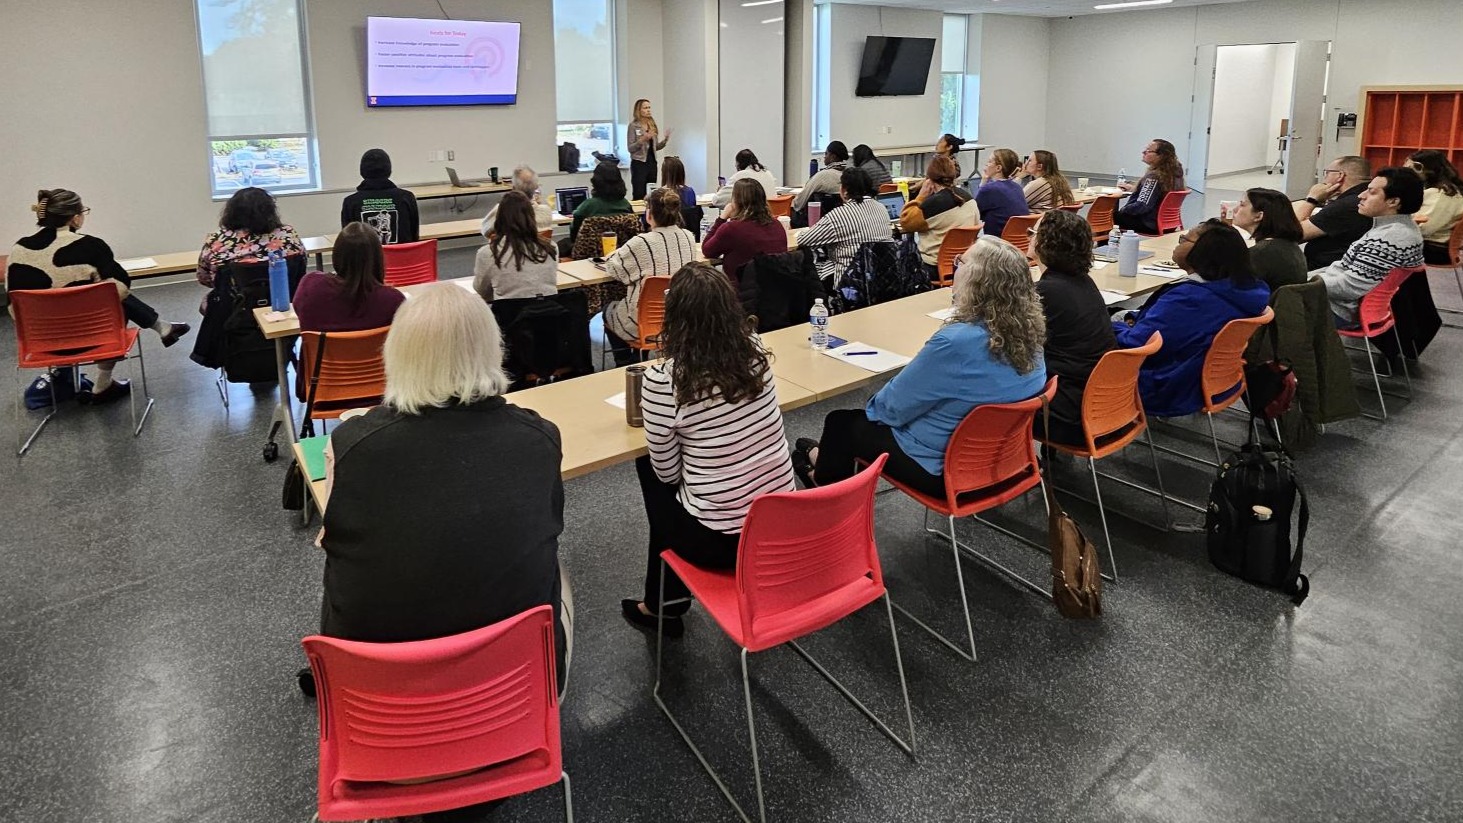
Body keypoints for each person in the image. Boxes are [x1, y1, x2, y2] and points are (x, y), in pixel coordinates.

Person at [314, 282, 571, 699]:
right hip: (515, 687)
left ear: (397, 352)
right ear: (493, 348)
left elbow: (337, 544)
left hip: (375, 698)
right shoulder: (540, 439)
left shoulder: (351, 446)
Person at [792, 237, 1048, 495]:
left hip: (946, 473)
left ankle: (825, 489)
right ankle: (823, 462)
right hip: (1007, 462)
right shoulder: (1031, 330)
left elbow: (889, 409)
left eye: (961, 261)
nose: (956, 266)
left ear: (979, 282)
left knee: (842, 423)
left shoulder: (954, 343)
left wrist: (881, 401)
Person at [618, 262, 795, 635]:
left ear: (674, 319)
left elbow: (667, 474)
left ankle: (664, 606)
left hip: (720, 541)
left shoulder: (664, 380)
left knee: (649, 470)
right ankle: (664, 600)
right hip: (780, 527)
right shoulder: (757, 351)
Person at [7, 189, 191, 404]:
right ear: (76, 217)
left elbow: (13, 305)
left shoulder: (18, 249)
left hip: (42, 343)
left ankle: (164, 328)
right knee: (112, 298)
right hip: (96, 337)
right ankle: (104, 382)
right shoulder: (91, 245)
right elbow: (121, 289)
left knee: (102, 296)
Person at [1113, 220, 1270, 417]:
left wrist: (1112, 327)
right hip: (1209, 377)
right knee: (1121, 314)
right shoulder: (1240, 291)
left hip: (1167, 385)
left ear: (1202, 251)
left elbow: (1137, 343)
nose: (1178, 243)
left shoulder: (1190, 299)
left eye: (1183, 239)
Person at [1031, 210, 1115, 446]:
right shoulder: (1083, 281)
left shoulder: (1048, 291)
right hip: (1097, 401)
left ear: (1043, 243)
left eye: (1033, 233)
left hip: (1066, 412)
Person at [1315, 167, 1425, 328]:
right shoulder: (1399, 227)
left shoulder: (1390, 239)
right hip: (1342, 303)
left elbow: (1348, 288)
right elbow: (1344, 271)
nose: (1361, 195)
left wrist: (1302, 281)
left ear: (1393, 201)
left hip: (1339, 309)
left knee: (1271, 302)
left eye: (1372, 192)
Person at [602, 188, 698, 366]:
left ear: (649, 213)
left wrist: (610, 256)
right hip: (681, 318)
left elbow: (616, 270)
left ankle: (624, 361)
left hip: (641, 322)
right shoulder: (688, 237)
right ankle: (641, 357)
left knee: (608, 309)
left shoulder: (641, 242)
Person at [293, 222, 405, 332]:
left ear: (337, 255)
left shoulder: (311, 286)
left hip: (322, 350)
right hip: (371, 351)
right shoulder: (394, 301)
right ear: (377, 259)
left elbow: (300, 311)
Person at [794, 167, 893, 284]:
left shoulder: (838, 215)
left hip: (848, 280)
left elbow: (803, 240)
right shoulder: (881, 208)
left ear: (844, 190)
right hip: (879, 277)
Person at [197, 187, 305, 289]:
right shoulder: (288, 234)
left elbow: (204, 277)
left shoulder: (217, 240)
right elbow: (301, 266)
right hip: (285, 300)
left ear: (232, 212)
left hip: (233, 304)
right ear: (271, 211)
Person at [898, 155, 979, 278]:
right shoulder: (970, 199)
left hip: (932, 268)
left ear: (929, 180)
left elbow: (905, 222)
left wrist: (921, 196)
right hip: (963, 264)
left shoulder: (931, 206)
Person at [701, 178, 790, 287]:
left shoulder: (732, 229)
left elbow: (707, 250)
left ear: (736, 202)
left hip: (741, 295)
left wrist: (722, 217)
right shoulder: (777, 225)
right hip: (776, 293)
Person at [473, 191, 559, 302]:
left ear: (499, 218)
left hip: (509, 316)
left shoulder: (488, 253)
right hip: (550, 314)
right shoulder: (551, 247)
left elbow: (481, 291)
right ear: (532, 217)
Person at [1293, 155, 1371, 269]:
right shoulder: (1366, 196)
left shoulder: (1345, 206)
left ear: (1340, 175)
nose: (1324, 178)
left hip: (1321, 271)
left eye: (1327, 173)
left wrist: (1311, 199)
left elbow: (1292, 232)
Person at [1232, 188, 1308, 289]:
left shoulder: (1261, 253)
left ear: (1258, 216)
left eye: (1242, 205)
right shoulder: (1289, 246)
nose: (1234, 209)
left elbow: (1233, 288)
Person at [340, 148, 419, 245]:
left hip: (367, 259)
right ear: (389, 170)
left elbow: (348, 242)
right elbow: (415, 237)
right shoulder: (407, 197)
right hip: (403, 259)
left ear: (362, 171)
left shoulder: (351, 202)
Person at [1115, 138, 1185, 235]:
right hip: (1169, 224)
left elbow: (1142, 206)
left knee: (1107, 217)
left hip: (1149, 224)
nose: (1143, 152)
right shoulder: (1174, 174)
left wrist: (1124, 209)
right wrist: (1133, 189)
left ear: (1161, 156)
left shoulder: (1154, 177)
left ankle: (1103, 247)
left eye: (1148, 151)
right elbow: (1156, 194)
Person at [1407, 150, 1463, 264]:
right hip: (1430, 247)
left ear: (1421, 168)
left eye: (1408, 170)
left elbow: (1424, 228)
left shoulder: (1442, 195)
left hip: (1432, 250)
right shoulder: (1447, 191)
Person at [569, 161, 633, 245]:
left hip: (590, 252)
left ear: (596, 181)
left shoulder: (588, 206)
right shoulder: (626, 205)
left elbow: (574, 232)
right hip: (621, 251)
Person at [482, 164, 555, 235]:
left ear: (513, 188)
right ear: (536, 187)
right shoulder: (546, 211)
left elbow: (485, 230)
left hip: (509, 247)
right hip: (538, 247)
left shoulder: (500, 210)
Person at [973, 148, 1028, 237]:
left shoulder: (989, 189)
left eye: (989, 161)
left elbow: (975, 213)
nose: (986, 164)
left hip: (995, 242)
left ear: (998, 168)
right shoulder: (1017, 187)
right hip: (1016, 241)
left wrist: (983, 183)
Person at [628, 98, 672, 200]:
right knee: (639, 192)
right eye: (645, 108)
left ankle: (650, 213)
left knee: (651, 192)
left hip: (651, 163)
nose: (648, 110)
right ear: (639, 110)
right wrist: (643, 139)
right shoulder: (633, 126)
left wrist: (665, 139)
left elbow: (655, 147)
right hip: (639, 163)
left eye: (649, 107)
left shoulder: (651, 124)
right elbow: (630, 148)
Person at [793, 141, 851, 213]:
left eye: (826, 153)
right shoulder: (850, 176)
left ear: (833, 157)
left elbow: (800, 201)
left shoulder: (822, 176)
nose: (824, 157)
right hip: (844, 216)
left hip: (819, 219)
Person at [711, 149, 779, 208]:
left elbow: (718, 200)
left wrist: (721, 190)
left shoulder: (740, 176)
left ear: (738, 164)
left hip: (752, 218)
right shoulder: (768, 173)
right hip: (771, 216)